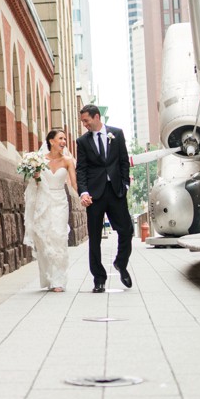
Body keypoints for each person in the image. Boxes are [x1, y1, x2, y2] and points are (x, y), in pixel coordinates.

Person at [75, 104, 134, 293]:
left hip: (116, 191)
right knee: (94, 237)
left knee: (126, 230)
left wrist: (125, 184)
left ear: (97, 117)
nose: (84, 124)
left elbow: (124, 161)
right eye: (83, 121)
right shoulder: (83, 142)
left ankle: (121, 263)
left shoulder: (116, 134)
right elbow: (81, 169)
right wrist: (84, 192)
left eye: (86, 120)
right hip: (95, 194)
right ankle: (98, 279)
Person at [23, 129, 76, 292]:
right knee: (45, 237)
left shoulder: (68, 161)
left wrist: (84, 196)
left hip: (60, 201)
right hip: (44, 201)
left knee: (58, 236)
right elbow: (35, 185)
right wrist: (36, 175)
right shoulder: (39, 161)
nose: (64, 142)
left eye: (65, 139)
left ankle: (59, 280)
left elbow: (74, 184)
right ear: (51, 141)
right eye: (61, 138)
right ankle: (49, 276)